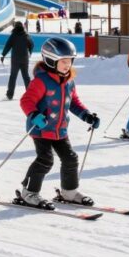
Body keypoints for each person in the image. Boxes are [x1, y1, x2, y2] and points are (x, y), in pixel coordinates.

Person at [17, 38, 100, 209]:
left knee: (70, 158)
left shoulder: (69, 81)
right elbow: (26, 100)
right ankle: (29, 192)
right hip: (41, 128)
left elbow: (74, 103)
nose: (67, 65)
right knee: (45, 159)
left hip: (60, 130)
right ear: (50, 59)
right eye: (63, 61)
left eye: (69, 61)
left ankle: (69, 192)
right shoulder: (41, 81)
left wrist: (87, 116)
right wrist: (34, 115)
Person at [1, 21, 34, 100]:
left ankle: (10, 95)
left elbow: (8, 45)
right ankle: (30, 95)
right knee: (26, 76)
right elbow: (32, 45)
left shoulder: (13, 35)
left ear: (15, 27)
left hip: (15, 59)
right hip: (24, 59)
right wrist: (30, 52)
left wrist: (3, 55)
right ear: (22, 27)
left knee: (13, 77)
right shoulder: (26, 35)